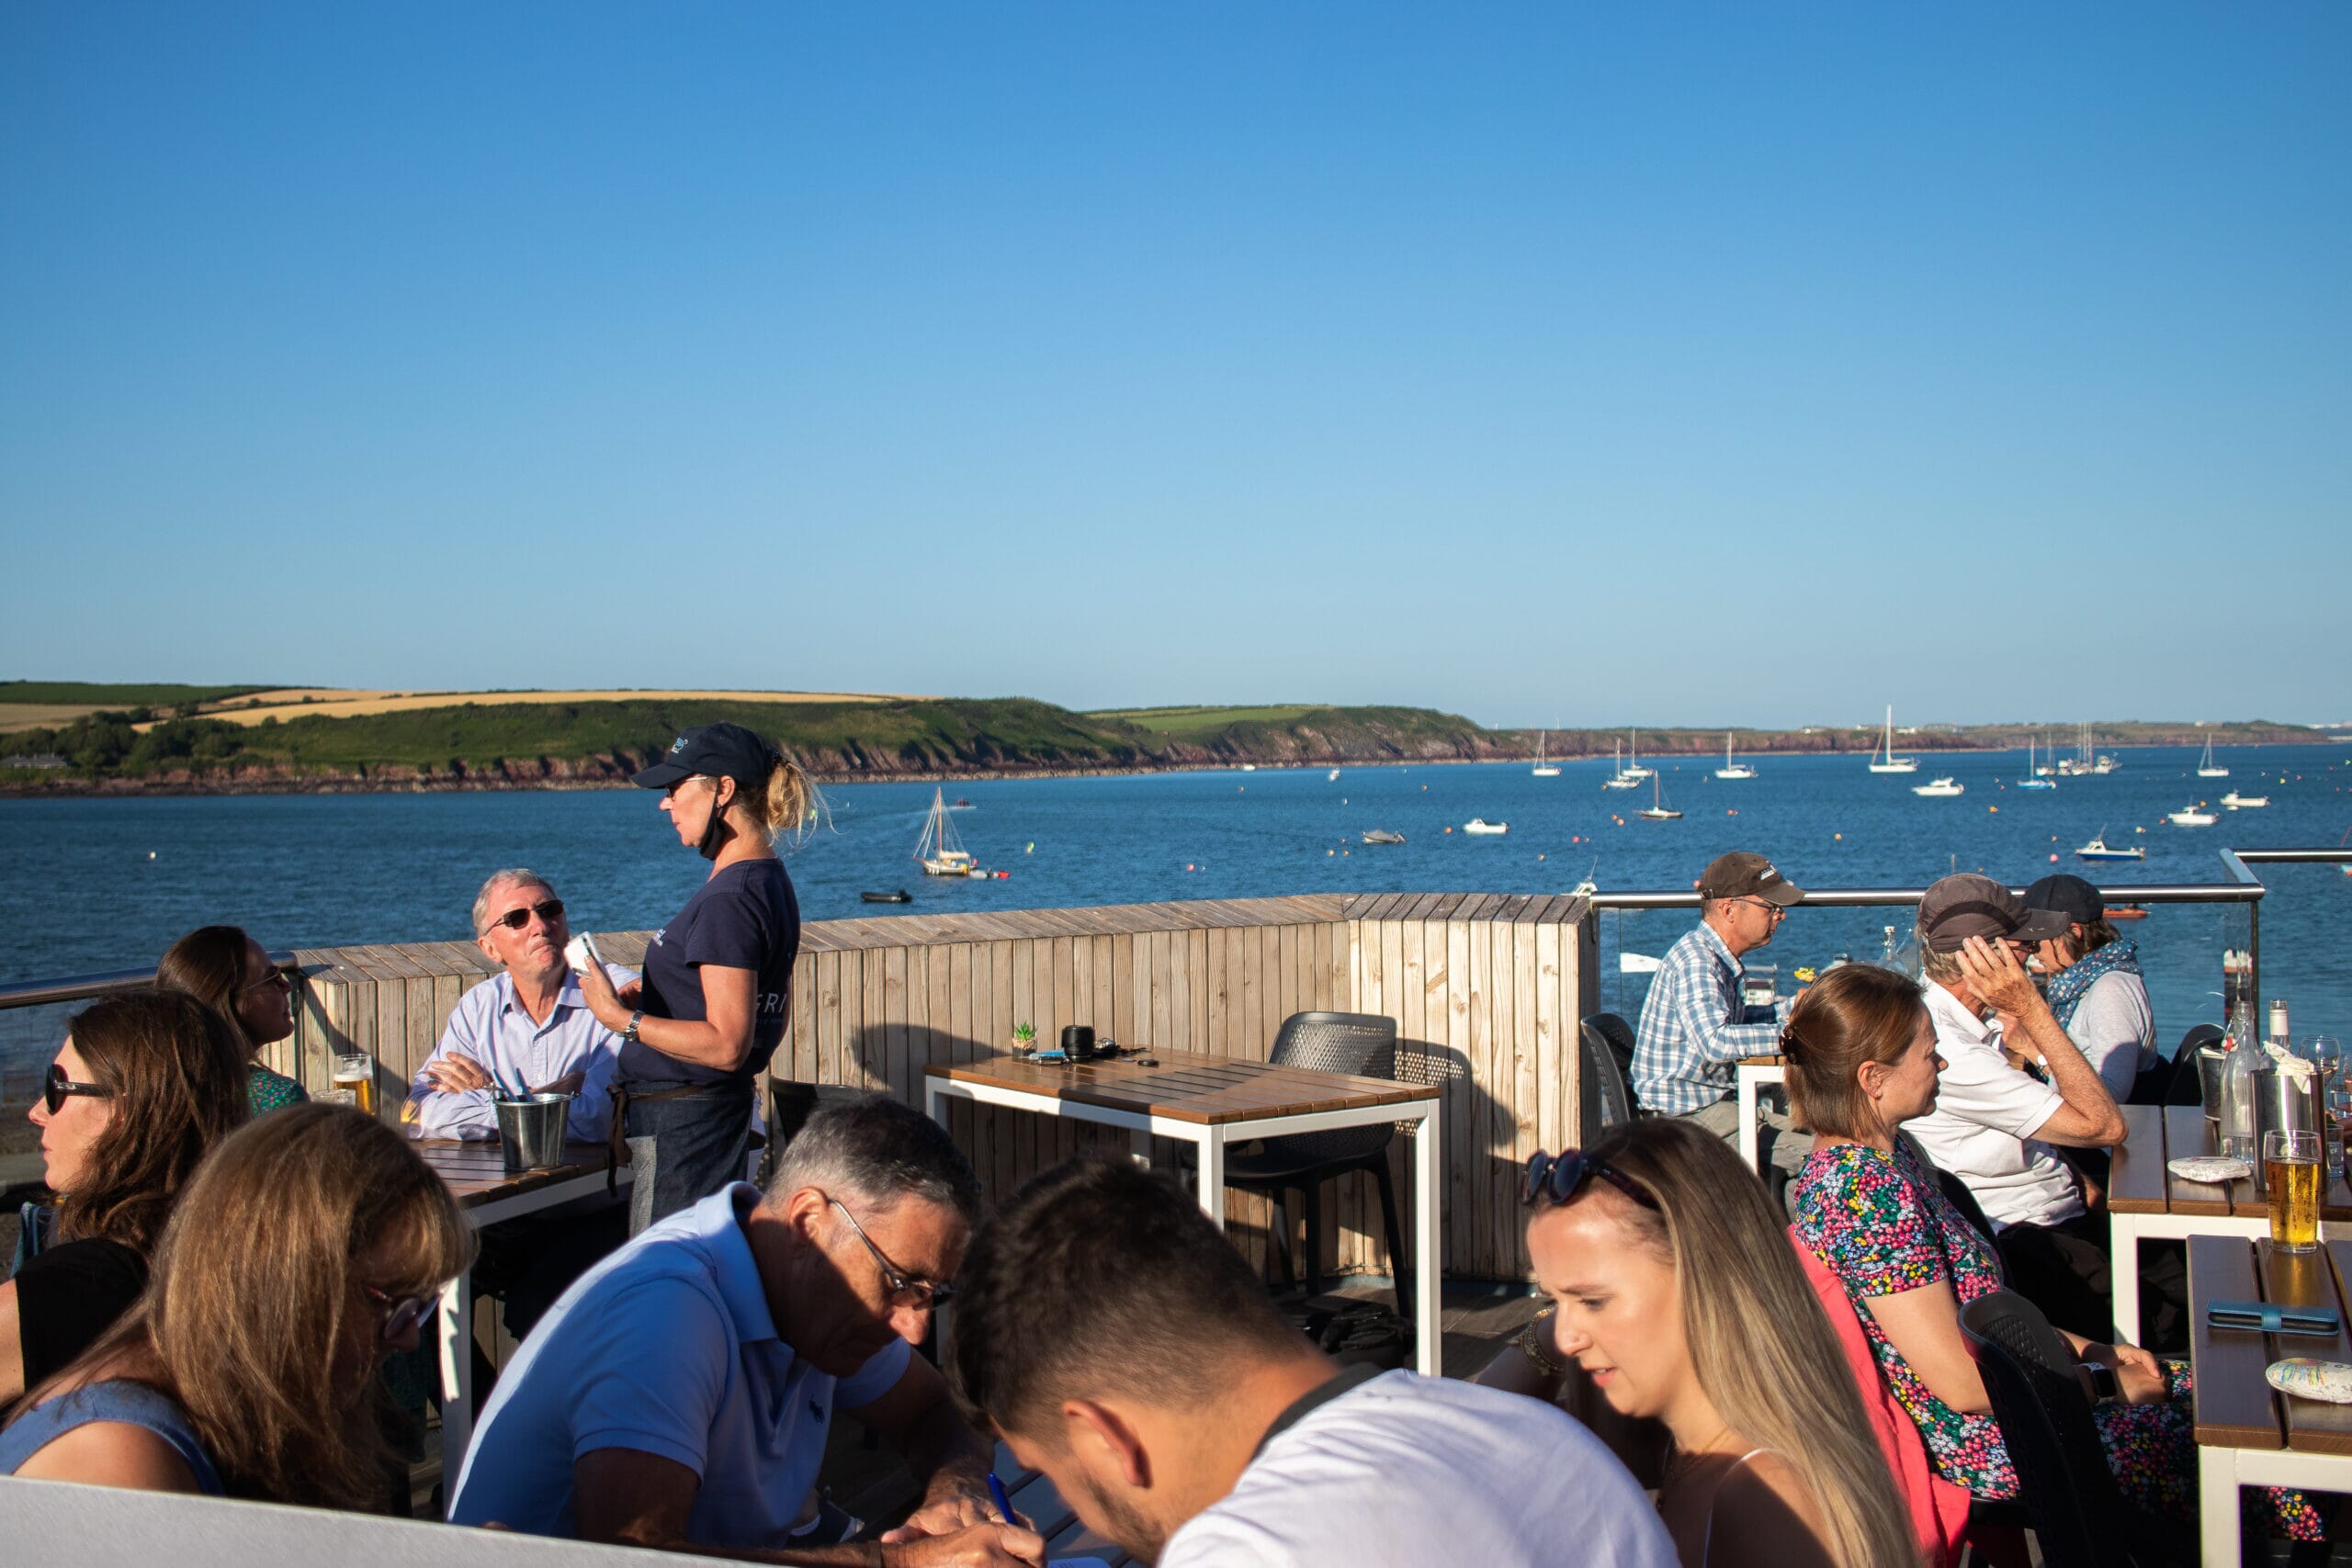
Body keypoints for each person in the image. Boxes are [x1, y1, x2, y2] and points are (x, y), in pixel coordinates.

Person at [1784, 963, 2322, 1541]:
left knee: (2242, 1388)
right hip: (1998, 1438)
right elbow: (1962, 1384)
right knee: (2264, 1449)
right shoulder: (1865, 1193)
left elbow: (1986, 1309)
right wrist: (2106, 1384)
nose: (1940, 1063)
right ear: (1873, 1077)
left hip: (2026, 1401)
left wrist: (2101, 1350)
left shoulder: (1893, 1158)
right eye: (1928, 1053)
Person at [948, 1156, 1679, 1568]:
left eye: (1054, 1478)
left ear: (1104, 1440)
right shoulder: (1547, 1442)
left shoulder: (1248, 1550)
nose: (1077, 1519)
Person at [449, 1094, 1034, 1567]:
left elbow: (935, 1411)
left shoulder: (811, 1291)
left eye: (933, 1294)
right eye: (899, 1282)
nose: (912, 1329)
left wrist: (958, 1490)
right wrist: (903, 1565)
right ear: (808, 1223)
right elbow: (632, 1561)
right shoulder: (666, 1314)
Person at [1477, 1119, 1920, 1568]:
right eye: (1555, 1302)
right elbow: (1467, 1444)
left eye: (1593, 1300)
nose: (1567, 1338)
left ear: (1706, 1281)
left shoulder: (1763, 1504)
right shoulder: (1682, 1450)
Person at [0, 1102, 474, 1506]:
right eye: (392, 1304)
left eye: (420, 1305)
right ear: (287, 1286)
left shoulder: (254, 1403)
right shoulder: (121, 1457)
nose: (411, 1336)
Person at [577, 722, 810, 1230]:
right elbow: (767, 1003)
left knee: (667, 1283)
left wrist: (620, 1019)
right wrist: (667, 993)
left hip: (687, 1129)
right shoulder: (766, 879)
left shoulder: (730, 897)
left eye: (675, 788)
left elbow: (728, 1043)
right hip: (708, 1119)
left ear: (722, 790)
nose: (665, 803)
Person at [407, 868, 633, 1361]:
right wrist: (529, 1098)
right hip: (511, 1215)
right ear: (490, 948)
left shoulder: (613, 994)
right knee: (408, 1289)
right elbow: (419, 1109)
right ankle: (482, 1423)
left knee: (536, 1309)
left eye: (549, 910)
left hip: (601, 1207)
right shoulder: (477, 1009)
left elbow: (596, 1119)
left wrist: (495, 1099)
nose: (540, 925)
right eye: (517, 918)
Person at [1903, 874, 2127, 1340]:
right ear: (1984, 960)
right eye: (2022, 947)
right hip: (2039, 1249)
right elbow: (2105, 1126)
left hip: (2052, 1220)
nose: (2032, 956)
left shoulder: (1947, 1021)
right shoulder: (1954, 1051)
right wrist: (2031, 1009)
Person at [1, 990, 249, 1405]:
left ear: (123, 1112)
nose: (37, 1110)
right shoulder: (240, 1258)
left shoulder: (61, 1293)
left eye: (56, 1086)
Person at [1630, 852, 1808, 1174]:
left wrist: (1791, 1009)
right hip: (1685, 1122)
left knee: (1823, 1140)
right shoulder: (1698, 962)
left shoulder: (1711, 956)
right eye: (1770, 907)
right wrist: (1793, 1035)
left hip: (1708, 1109)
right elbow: (1715, 1041)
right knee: (1827, 1155)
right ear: (1728, 910)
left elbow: (1734, 1023)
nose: (1781, 916)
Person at [2021, 874, 2155, 1104]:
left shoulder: (2110, 990)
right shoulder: (2076, 981)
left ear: (2073, 932)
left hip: (2114, 1133)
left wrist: (2032, 1051)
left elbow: (2111, 1096)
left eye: (2035, 942)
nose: (2032, 952)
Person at [156, 924, 306, 1113]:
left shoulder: (150, 1091)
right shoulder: (278, 1098)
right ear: (231, 1002)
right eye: (271, 978)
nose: (287, 986)